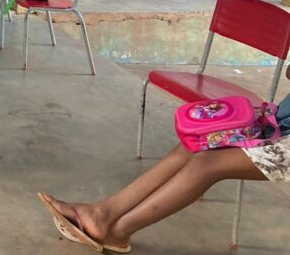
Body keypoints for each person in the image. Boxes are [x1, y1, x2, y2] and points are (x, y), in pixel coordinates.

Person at [38, 92, 290, 253]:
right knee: (196, 143)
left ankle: (119, 231)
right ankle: (103, 213)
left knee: (208, 163)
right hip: (283, 124)